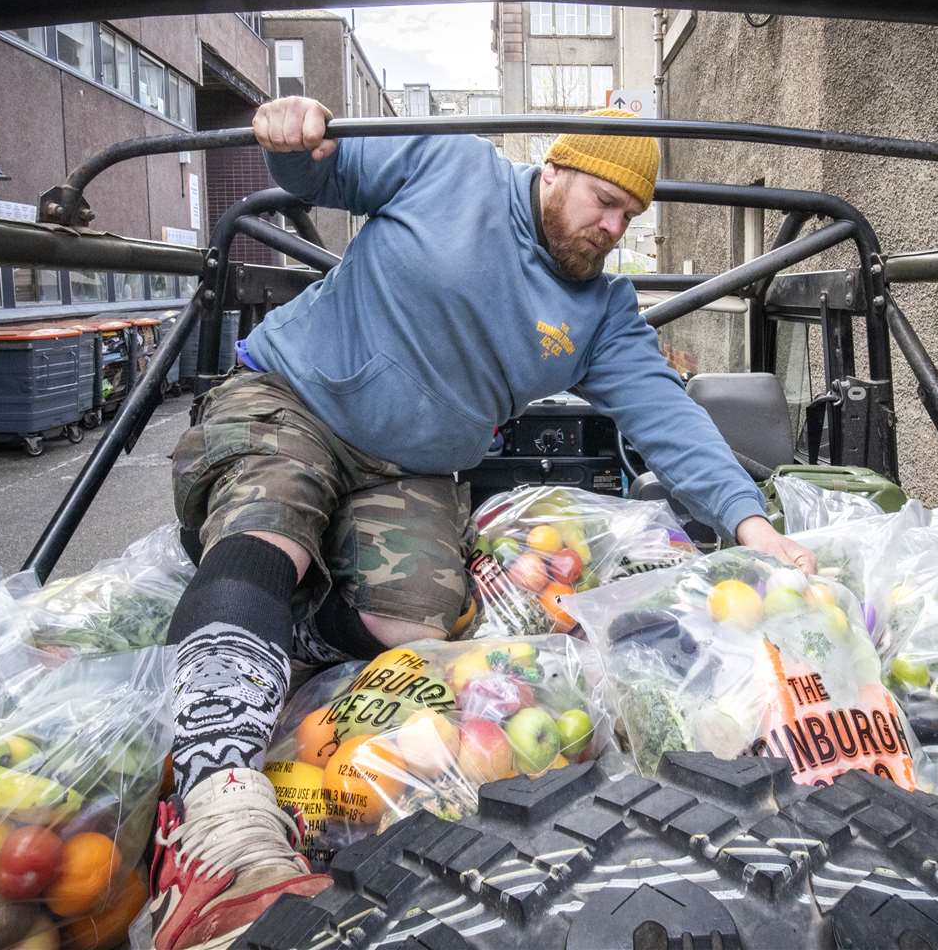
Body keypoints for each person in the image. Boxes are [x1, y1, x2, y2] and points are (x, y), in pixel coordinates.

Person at [148, 96, 818, 950]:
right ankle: (214, 820)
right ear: (556, 169)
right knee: (269, 527)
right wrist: (292, 137)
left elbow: (670, 419)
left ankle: (271, 617)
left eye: (631, 217)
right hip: (293, 401)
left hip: (414, 470)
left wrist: (751, 527)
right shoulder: (448, 165)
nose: (615, 226)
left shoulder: (600, 313)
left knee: (414, 630)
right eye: (604, 202)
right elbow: (322, 172)